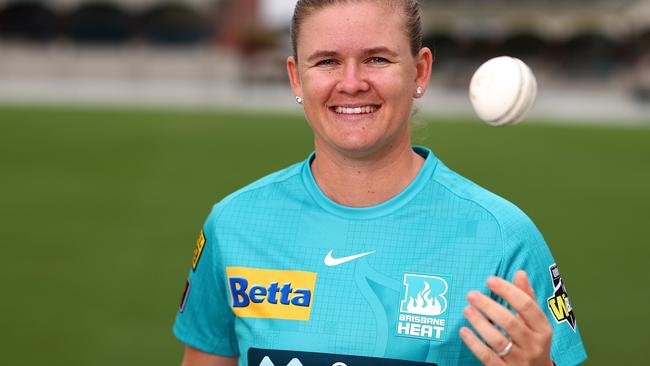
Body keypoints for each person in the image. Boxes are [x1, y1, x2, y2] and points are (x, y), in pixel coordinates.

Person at [173, 1, 587, 365]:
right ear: (297, 78)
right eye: (327, 61)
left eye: (376, 59)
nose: (351, 83)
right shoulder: (234, 224)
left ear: (419, 71)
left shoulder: (501, 237)